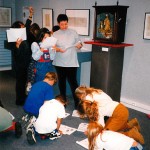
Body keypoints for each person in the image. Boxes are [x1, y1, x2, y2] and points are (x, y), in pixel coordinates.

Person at [75, 86, 144, 144]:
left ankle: (132, 134)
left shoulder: (98, 111)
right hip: (120, 108)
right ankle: (132, 124)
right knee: (112, 126)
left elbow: (100, 126)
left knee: (107, 135)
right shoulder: (94, 96)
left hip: (120, 114)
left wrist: (92, 132)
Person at [52, 14, 83, 108]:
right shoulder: (55, 34)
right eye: (62, 24)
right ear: (58, 23)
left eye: (66, 24)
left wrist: (79, 45)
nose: (64, 26)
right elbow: (52, 47)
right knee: (61, 82)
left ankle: (78, 103)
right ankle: (63, 101)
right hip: (59, 62)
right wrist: (58, 49)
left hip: (71, 62)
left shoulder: (73, 32)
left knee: (73, 83)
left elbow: (79, 43)